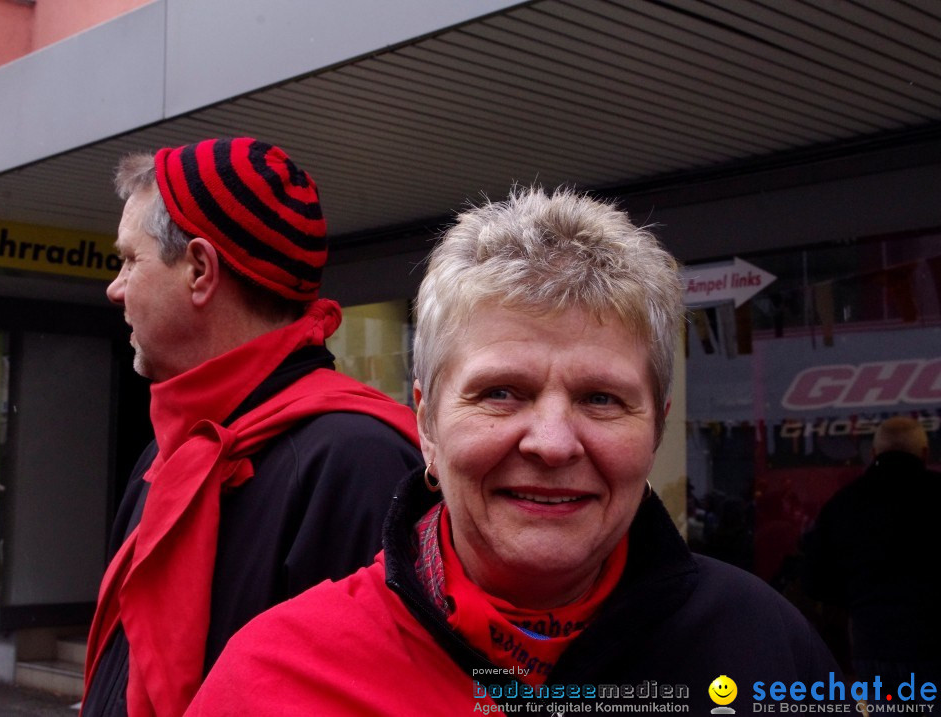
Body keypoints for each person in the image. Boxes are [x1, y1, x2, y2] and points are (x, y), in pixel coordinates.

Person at [187, 187, 843, 715]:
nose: (553, 443)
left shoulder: (765, 647)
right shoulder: (277, 677)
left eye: (602, 399)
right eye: (501, 392)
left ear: (657, 428)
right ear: (428, 425)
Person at [80, 137, 422, 717]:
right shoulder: (170, 452)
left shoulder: (358, 461)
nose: (115, 288)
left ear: (199, 270)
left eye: (129, 260)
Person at [803, 416, 940, 688]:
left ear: (874, 453)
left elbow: (816, 580)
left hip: (875, 643)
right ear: (925, 453)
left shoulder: (843, 504)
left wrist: (858, 599)